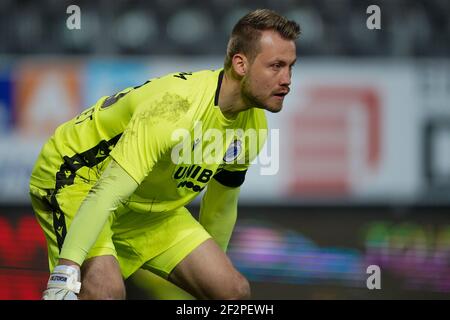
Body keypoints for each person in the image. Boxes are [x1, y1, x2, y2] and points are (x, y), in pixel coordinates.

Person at [29, 8, 300, 300]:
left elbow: (220, 206)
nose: (287, 80)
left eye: (290, 67)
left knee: (232, 291)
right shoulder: (175, 107)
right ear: (240, 64)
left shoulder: (253, 128)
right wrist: (66, 271)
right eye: (276, 66)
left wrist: (209, 272)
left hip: (149, 210)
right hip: (79, 180)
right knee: (105, 292)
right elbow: (107, 191)